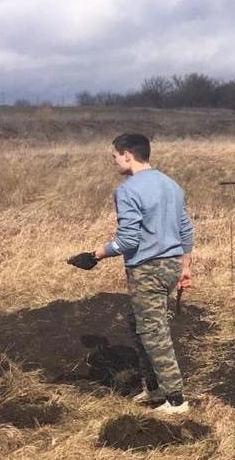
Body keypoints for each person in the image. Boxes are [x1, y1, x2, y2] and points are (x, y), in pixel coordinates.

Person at [69, 132, 194, 414]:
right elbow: (186, 229)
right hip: (172, 265)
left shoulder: (127, 190)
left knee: (152, 330)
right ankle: (153, 387)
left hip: (148, 269)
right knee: (138, 323)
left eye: (114, 156)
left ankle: (175, 399)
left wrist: (94, 256)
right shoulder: (171, 185)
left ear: (127, 154)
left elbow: (128, 240)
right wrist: (185, 266)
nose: (113, 161)